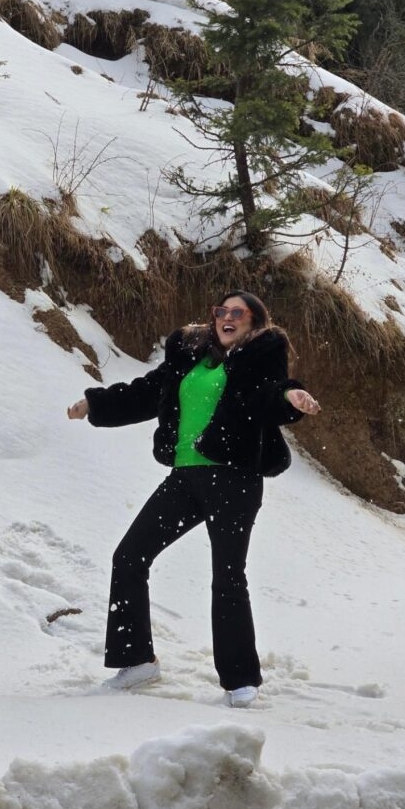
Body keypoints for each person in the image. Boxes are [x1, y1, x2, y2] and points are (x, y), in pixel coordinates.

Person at [67, 290, 321, 707]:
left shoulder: (259, 355)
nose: (228, 317)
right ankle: (137, 662)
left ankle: (240, 679)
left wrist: (289, 397)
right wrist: (94, 405)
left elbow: (270, 392)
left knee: (228, 575)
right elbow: (148, 391)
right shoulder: (189, 355)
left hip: (235, 478)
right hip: (186, 477)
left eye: (238, 313)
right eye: (222, 310)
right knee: (129, 556)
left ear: (254, 323)